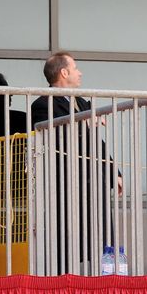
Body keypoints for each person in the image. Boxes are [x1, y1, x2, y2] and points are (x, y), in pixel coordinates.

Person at [32, 52, 120, 268]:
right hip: (65, 183)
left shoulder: (80, 102)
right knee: (67, 238)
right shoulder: (42, 104)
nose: (80, 73)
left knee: (101, 236)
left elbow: (96, 142)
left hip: (93, 180)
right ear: (64, 72)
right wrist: (83, 124)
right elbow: (53, 138)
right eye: (76, 68)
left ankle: (102, 279)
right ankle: (64, 281)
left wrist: (114, 173)